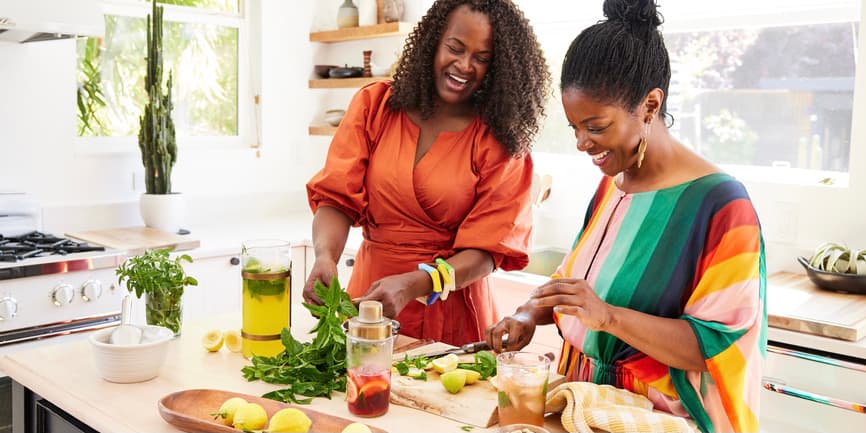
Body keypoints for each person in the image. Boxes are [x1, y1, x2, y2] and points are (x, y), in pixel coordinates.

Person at [485, 1, 766, 432]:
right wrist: (528, 313)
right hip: (586, 413)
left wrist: (609, 317)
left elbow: (713, 345)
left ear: (650, 105)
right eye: (574, 127)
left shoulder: (721, 206)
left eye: (595, 127)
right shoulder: (611, 185)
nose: (582, 143)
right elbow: (573, 288)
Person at [304, 0, 550, 346]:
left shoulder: (500, 140)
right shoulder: (375, 106)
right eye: (455, 47)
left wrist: (418, 283)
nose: (465, 65)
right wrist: (324, 256)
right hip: (368, 301)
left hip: (452, 312)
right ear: (433, 41)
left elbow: (486, 253)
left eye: (482, 58)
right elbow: (336, 198)